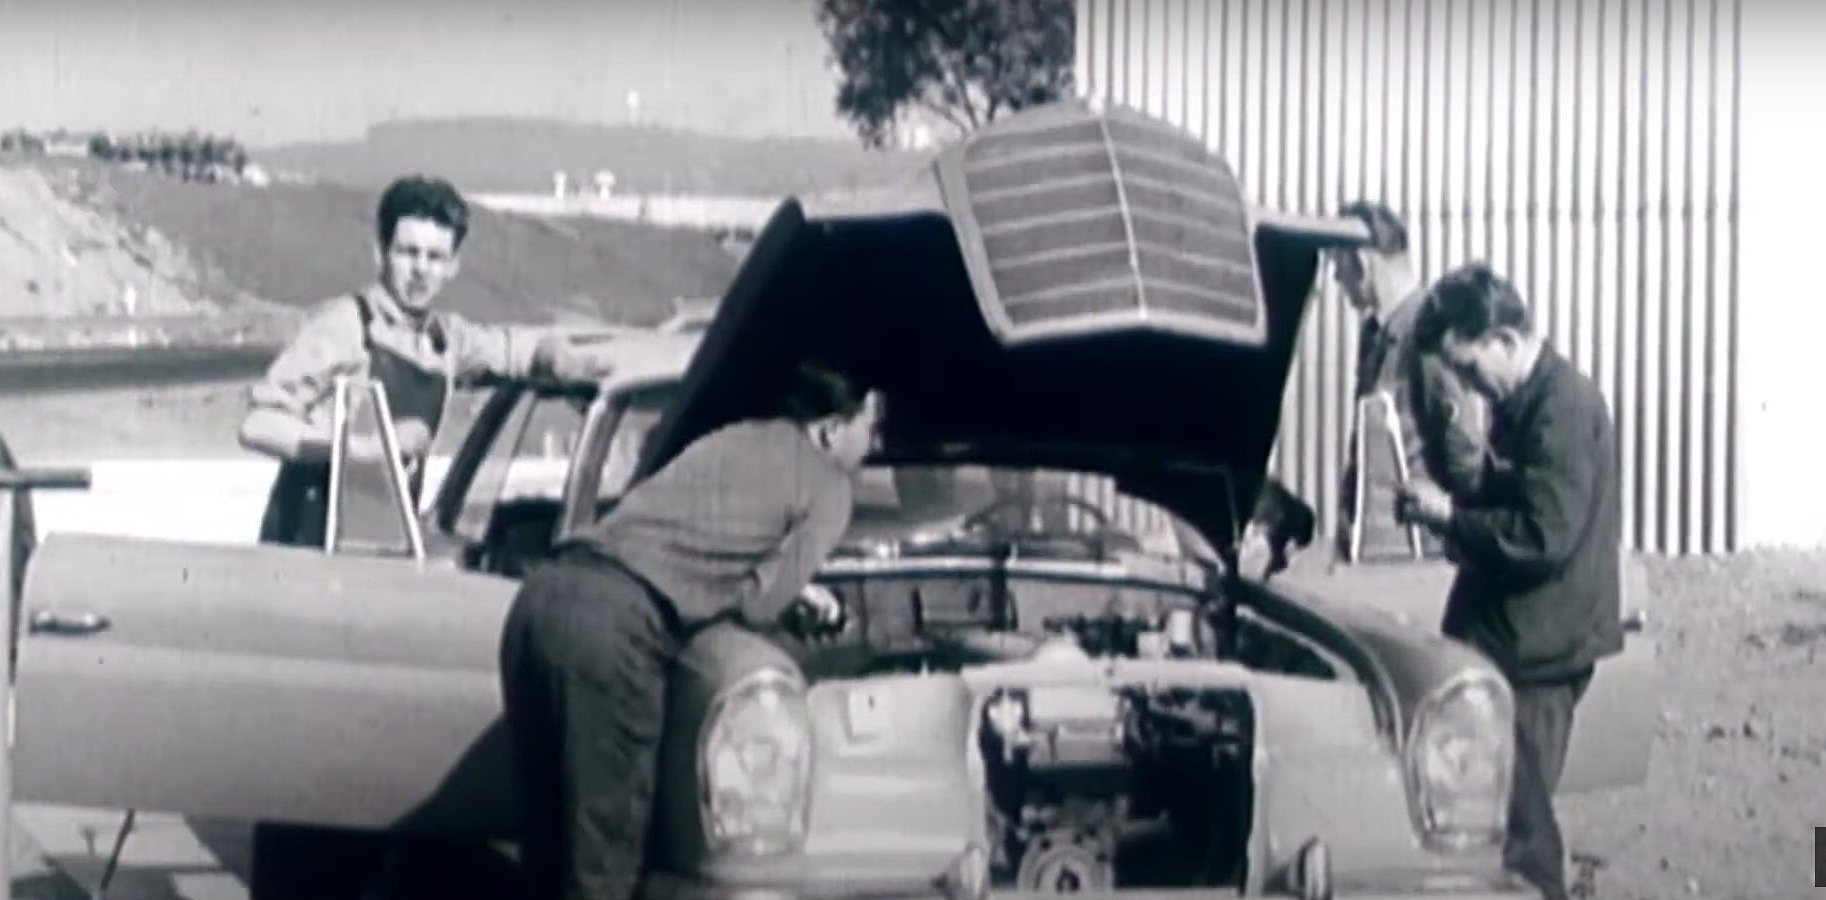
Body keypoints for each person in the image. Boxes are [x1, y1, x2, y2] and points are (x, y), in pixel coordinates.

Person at [498, 363, 884, 900]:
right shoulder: (829, 486)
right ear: (831, 429)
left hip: (541, 600)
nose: (876, 443)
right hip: (616, 629)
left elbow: (695, 533)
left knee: (546, 852)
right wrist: (794, 605)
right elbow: (759, 605)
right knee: (603, 865)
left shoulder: (737, 436)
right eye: (872, 426)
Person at [1394, 263, 1623, 900]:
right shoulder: (1526, 404)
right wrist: (1460, 497)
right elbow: (1522, 496)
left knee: (1520, 834)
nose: (1470, 386)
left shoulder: (1563, 408)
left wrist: (1453, 518)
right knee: (1491, 821)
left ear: (1503, 339)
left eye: (1469, 368)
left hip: (1538, 661)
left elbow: (1544, 535)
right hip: (1514, 647)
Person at [238, 173, 572, 548]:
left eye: (435, 257)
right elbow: (258, 424)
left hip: (383, 546)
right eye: (408, 253)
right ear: (380, 253)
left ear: (453, 266)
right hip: (308, 545)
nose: (421, 270)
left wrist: (567, 357)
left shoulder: (447, 340)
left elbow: (515, 351)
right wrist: (364, 450)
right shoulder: (344, 326)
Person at [1331, 200, 1492, 562]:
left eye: (1338, 265)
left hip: (1419, 554)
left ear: (1362, 262)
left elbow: (1465, 453)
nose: (1336, 279)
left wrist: (1455, 526)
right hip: (1377, 549)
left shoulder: (1427, 333)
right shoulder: (1376, 334)